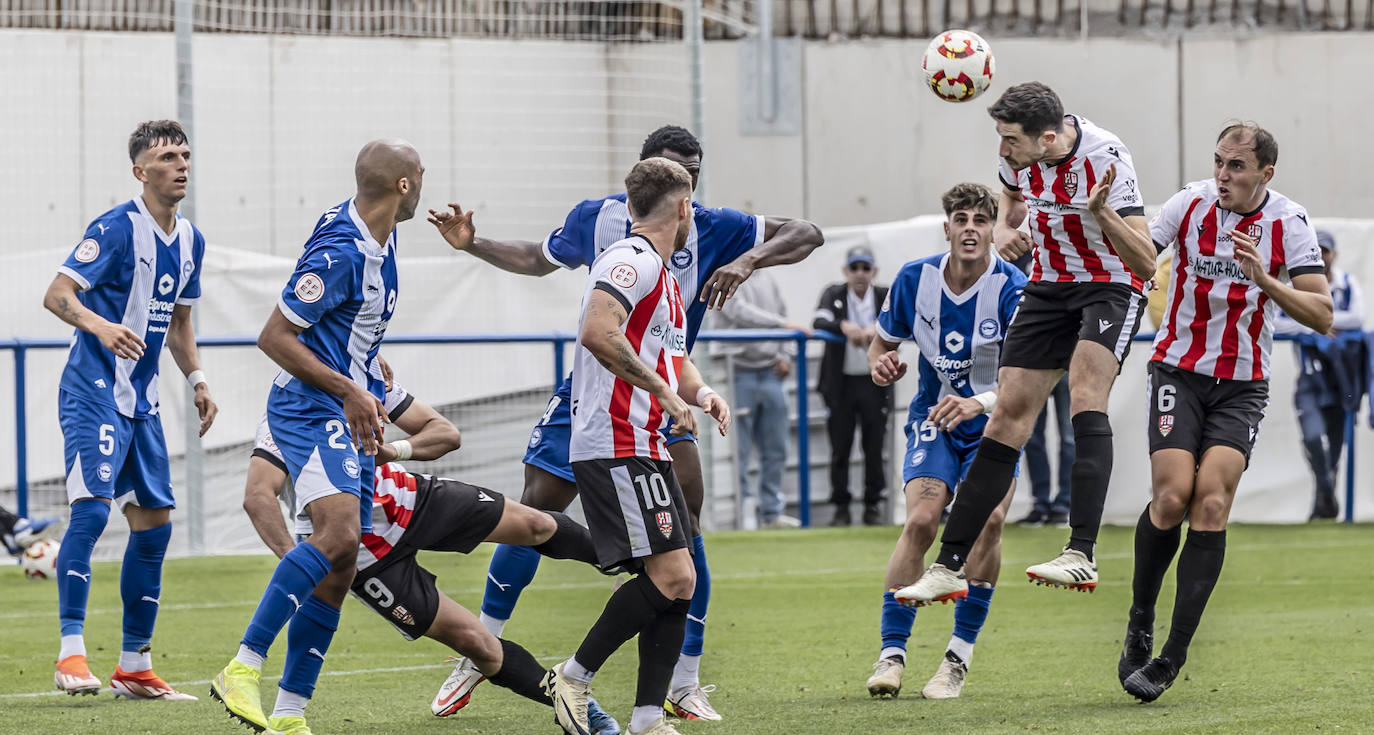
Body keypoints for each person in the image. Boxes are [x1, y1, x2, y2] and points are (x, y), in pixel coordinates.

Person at [427, 125, 823, 721]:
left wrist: (746, 265)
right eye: (673, 170)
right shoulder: (614, 236)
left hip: (663, 396)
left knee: (684, 536)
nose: (686, 182)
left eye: (693, 170)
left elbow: (808, 232)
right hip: (609, 401)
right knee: (539, 509)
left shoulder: (709, 231)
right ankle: (484, 648)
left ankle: (676, 685)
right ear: (645, 176)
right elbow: (546, 267)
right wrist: (475, 245)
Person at [242, 380, 622, 734]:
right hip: (364, 556)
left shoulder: (366, 375)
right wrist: (300, 563)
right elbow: (259, 496)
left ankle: (633, 562)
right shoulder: (287, 411)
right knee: (478, 644)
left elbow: (445, 434)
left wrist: (393, 451)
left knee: (537, 524)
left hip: (411, 500)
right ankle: (579, 707)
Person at [900, 82, 1156, 605]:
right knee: (1007, 415)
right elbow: (1012, 201)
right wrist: (1006, 229)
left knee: (1086, 394)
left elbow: (1147, 261)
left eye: (1010, 139)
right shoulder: (1018, 159)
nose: (1002, 150)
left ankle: (1080, 553)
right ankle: (949, 565)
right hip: (1049, 286)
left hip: (1109, 284)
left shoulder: (1105, 157)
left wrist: (1101, 212)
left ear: (1047, 136)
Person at [212, 139, 423, 735]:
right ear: (404, 185)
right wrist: (351, 388)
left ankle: (289, 715)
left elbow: (346, 325)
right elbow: (275, 336)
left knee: (342, 560)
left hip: (342, 406)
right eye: (421, 173)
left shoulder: (382, 232)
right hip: (312, 407)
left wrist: (365, 367)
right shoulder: (340, 252)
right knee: (338, 534)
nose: (425, 180)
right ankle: (243, 666)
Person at [1119, 122, 1332, 702]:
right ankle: (1140, 619)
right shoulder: (1188, 204)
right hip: (1178, 372)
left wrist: (1264, 278)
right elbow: (1142, 259)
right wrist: (1107, 216)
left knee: (1211, 500)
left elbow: (1322, 313)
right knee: (1170, 497)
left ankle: (1171, 656)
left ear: (1266, 173)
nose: (1223, 176)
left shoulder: (1289, 222)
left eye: (1237, 167)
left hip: (1241, 386)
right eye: (1218, 162)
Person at [543, 158, 732, 735]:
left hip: (645, 441)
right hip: (616, 441)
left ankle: (649, 718)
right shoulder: (629, 260)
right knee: (674, 576)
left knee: (680, 579)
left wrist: (697, 393)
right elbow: (599, 331)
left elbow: (670, 356)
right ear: (684, 206)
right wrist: (663, 395)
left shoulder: (663, 275)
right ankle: (571, 678)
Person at [42, 120, 217, 700]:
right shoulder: (115, 228)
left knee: (154, 529)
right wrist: (101, 325)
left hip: (141, 404)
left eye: (185, 154)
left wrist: (196, 379)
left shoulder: (190, 239)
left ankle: (134, 666)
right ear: (141, 171)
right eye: (168, 157)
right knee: (90, 514)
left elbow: (182, 322)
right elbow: (58, 294)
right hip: (93, 391)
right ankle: (71, 655)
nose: (181, 164)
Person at [864, 183, 1025, 699]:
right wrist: (881, 365)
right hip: (935, 421)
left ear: (993, 229)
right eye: (962, 218)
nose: (971, 228)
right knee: (920, 521)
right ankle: (892, 654)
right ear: (948, 227)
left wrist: (980, 401)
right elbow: (880, 346)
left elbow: (1029, 376)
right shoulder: (915, 279)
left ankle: (956, 659)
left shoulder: (1012, 287)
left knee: (989, 523)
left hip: (996, 427)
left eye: (982, 219)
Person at [1273, 230, 1366, 520]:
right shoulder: (1295, 285)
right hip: (1311, 379)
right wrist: (1315, 322)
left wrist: (1316, 318)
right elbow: (1275, 322)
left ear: (1333, 254)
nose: (1322, 256)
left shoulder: (1346, 283)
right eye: (1318, 251)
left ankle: (1322, 505)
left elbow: (1358, 318)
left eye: (1326, 251)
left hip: (1341, 379)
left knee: (1335, 450)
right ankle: (1326, 490)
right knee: (1314, 439)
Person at [711, 269, 807, 528]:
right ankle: (744, 514)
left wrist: (785, 355)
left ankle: (771, 513)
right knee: (738, 450)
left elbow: (783, 316)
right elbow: (738, 311)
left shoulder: (767, 279)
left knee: (776, 447)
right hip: (736, 373)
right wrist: (781, 327)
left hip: (771, 372)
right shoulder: (724, 276)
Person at [813, 245, 892, 527]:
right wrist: (843, 326)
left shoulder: (884, 296)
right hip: (841, 384)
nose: (860, 274)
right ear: (846, 271)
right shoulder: (834, 293)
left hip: (874, 382)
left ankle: (872, 505)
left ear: (874, 272)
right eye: (855, 268)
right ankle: (841, 506)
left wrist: (876, 328)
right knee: (840, 448)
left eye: (865, 268)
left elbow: (902, 319)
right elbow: (819, 319)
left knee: (873, 445)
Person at [1017, 376, 1074, 526]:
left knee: (1069, 438)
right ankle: (1040, 503)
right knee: (1032, 437)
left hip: (1068, 366)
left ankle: (1064, 504)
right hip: (1036, 366)